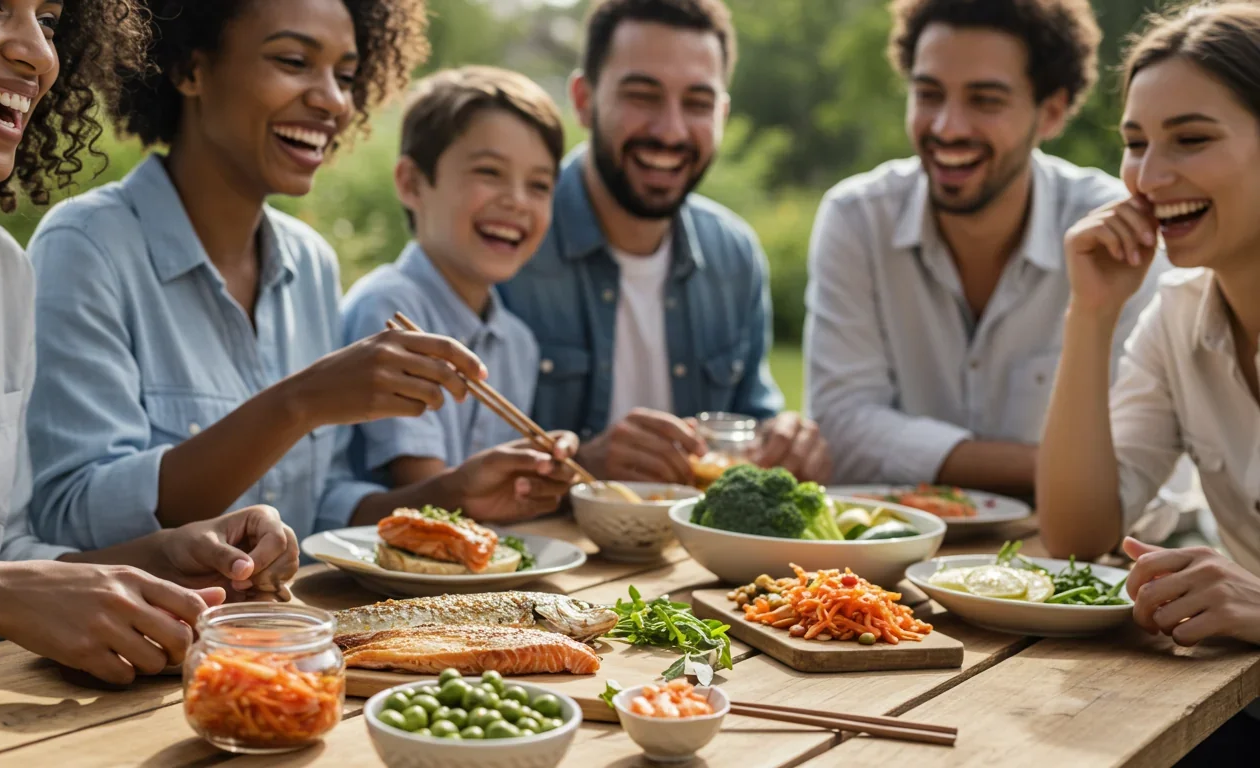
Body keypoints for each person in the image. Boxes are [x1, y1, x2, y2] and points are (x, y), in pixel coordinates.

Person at [0, 0, 298, 684]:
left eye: (52, 21)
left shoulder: (1, 272)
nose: (39, 54)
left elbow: (10, 551)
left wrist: (161, 559)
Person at [26, 0, 577, 547]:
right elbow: (74, 517)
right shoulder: (89, 247)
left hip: (285, 630)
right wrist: (299, 403)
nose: (332, 100)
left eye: (345, 76)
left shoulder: (309, 263)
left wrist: (455, 494)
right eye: (293, 61)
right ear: (190, 69)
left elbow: (319, 509)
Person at [804, 0, 1168, 496]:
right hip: (887, 553)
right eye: (928, 94)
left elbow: (1141, 464)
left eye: (985, 100)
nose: (947, 127)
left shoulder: (1117, 233)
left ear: (1052, 113)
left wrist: (923, 456)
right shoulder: (858, 218)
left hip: (1073, 558)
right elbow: (840, 427)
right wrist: (1062, 472)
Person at [499, 0, 831, 488]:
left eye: (697, 103)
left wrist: (785, 441)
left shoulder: (734, 257)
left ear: (722, 113)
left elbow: (750, 424)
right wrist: (579, 470)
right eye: (642, 96)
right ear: (584, 100)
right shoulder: (508, 241)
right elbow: (453, 463)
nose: (671, 130)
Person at [1038, 1, 1260, 648]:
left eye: (1191, 139)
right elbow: (1079, 537)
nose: (1149, 177)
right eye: (1135, 144)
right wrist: (1092, 313)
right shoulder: (1177, 315)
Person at [341, 66, 579, 517]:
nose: (517, 201)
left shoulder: (517, 342)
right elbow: (426, 490)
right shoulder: (389, 308)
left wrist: (538, 471)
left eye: (539, 185)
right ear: (412, 183)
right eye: (489, 172)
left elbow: (492, 499)